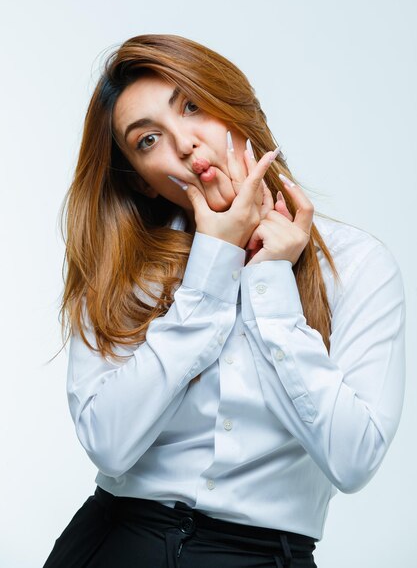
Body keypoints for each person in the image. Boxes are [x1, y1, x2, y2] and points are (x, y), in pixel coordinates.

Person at [42, 34, 406, 568]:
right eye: (148, 140)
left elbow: (353, 462)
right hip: (116, 543)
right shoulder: (124, 269)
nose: (186, 144)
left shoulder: (356, 266)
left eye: (192, 106)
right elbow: (109, 445)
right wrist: (212, 264)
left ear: (236, 107)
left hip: (261, 555)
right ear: (141, 182)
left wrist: (271, 281)